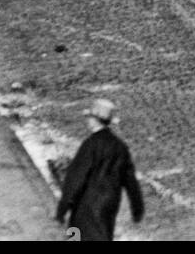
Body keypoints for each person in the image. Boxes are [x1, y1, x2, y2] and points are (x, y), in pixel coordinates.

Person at [55, 98, 145, 242]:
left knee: (75, 236)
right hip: (109, 205)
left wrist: (62, 209)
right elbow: (130, 181)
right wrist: (137, 210)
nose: (88, 121)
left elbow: (75, 179)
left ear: (94, 120)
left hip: (85, 206)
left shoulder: (90, 144)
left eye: (89, 117)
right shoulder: (120, 146)